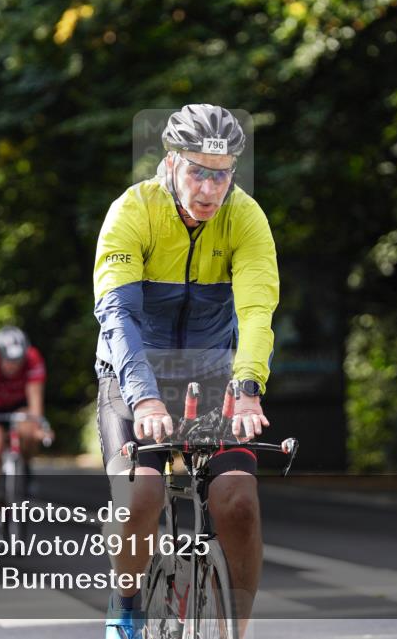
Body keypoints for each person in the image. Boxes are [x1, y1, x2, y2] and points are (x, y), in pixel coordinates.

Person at [94, 104, 278, 638]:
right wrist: (146, 398)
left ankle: (236, 630)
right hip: (134, 374)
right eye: (198, 171)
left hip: (214, 377)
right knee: (141, 495)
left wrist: (248, 386)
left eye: (221, 175)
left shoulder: (245, 217)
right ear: (172, 161)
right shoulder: (134, 211)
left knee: (238, 503)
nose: (209, 189)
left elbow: (256, 310)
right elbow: (118, 315)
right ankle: (126, 607)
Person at [0, 326, 50, 518]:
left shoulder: (33, 358)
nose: (13, 366)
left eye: (17, 361)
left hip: (20, 405)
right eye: (8, 361)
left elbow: (35, 397)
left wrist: (37, 426)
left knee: (29, 431)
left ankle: (26, 465)